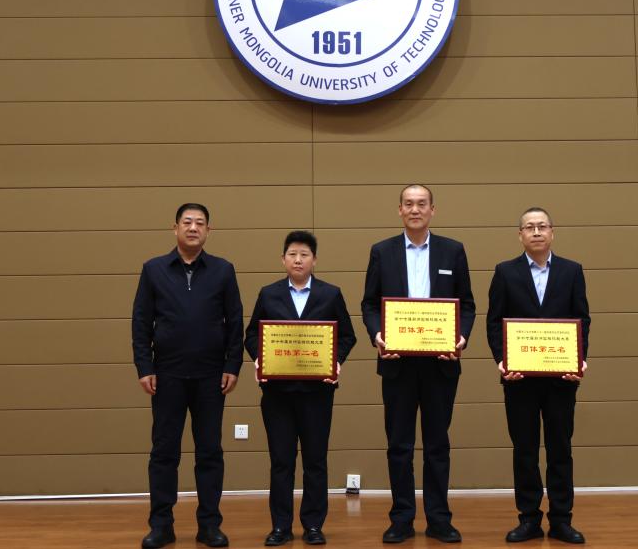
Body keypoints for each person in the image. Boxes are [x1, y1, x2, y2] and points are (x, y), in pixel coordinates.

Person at [361, 184, 476, 544]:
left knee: (437, 445)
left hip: (441, 363)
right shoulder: (382, 251)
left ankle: (439, 519)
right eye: (408, 204)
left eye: (421, 204)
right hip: (397, 363)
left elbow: (467, 305)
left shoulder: (453, 250)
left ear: (432, 210)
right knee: (399, 445)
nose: (415, 209)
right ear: (399, 210)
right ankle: (401, 519)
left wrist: (461, 337)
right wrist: (378, 335)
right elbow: (369, 304)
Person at [132, 203, 243, 549]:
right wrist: (145, 367)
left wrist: (232, 365)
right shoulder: (154, 269)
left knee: (209, 452)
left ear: (209, 230)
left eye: (200, 223)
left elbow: (235, 321)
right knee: (164, 452)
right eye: (187, 222)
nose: (193, 228)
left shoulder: (223, 270)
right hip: (167, 375)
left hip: (211, 376)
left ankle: (209, 525)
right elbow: (140, 322)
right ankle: (161, 525)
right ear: (175, 228)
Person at [244, 231, 358, 547]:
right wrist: (259, 359)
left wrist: (336, 362)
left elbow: (347, 336)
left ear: (314, 260)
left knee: (315, 461)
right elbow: (251, 335)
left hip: (317, 394)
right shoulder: (268, 294)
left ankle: (313, 525)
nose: (298, 260)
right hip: (277, 394)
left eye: (304, 254)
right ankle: (280, 526)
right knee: (281, 461)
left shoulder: (330, 294)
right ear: (283, 259)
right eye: (292, 254)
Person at [486, 207, 590, 545]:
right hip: (520, 380)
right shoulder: (505, 272)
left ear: (552, 232)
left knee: (560, 449)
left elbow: (582, 319)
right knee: (525, 451)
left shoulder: (572, 271)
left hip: (561, 379)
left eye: (542, 226)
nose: (536, 232)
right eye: (529, 227)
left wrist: (579, 360)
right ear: (520, 235)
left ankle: (561, 519)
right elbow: (494, 321)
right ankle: (528, 519)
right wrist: (503, 360)